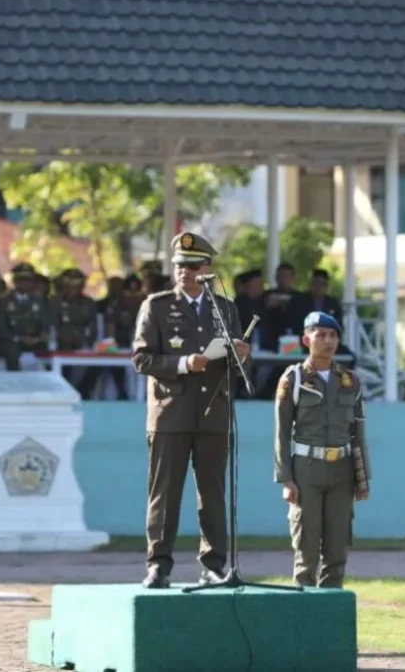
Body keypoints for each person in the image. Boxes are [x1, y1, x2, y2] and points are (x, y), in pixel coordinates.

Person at [132, 231, 249, 589]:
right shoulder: (157, 306)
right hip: (171, 414)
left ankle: (213, 564)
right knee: (165, 494)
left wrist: (241, 354)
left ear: (208, 269)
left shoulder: (224, 308)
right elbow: (141, 358)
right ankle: (158, 565)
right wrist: (184, 363)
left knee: (212, 495)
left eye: (193, 266)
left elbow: (237, 366)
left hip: (213, 413)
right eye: (180, 265)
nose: (185, 271)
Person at [273, 311, 370, 588]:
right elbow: (281, 432)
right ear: (306, 340)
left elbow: (358, 434)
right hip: (307, 469)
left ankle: (331, 607)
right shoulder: (293, 379)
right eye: (321, 335)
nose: (328, 341)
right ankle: (303, 607)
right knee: (306, 547)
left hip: (342, 470)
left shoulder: (350, 381)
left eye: (333, 336)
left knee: (337, 548)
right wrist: (286, 479)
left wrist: (363, 478)